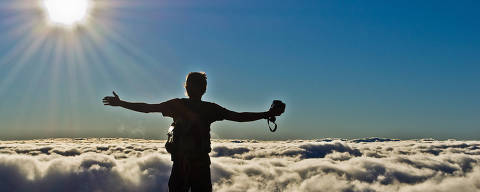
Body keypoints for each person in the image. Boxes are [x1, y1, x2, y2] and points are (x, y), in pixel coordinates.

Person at [102, 72, 284, 192]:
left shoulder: (178, 105)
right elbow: (238, 116)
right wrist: (266, 114)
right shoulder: (210, 109)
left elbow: (147, 108)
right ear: (203, 89)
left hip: (182, 166)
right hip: (200, 166)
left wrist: (121, 103)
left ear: (187, 87)